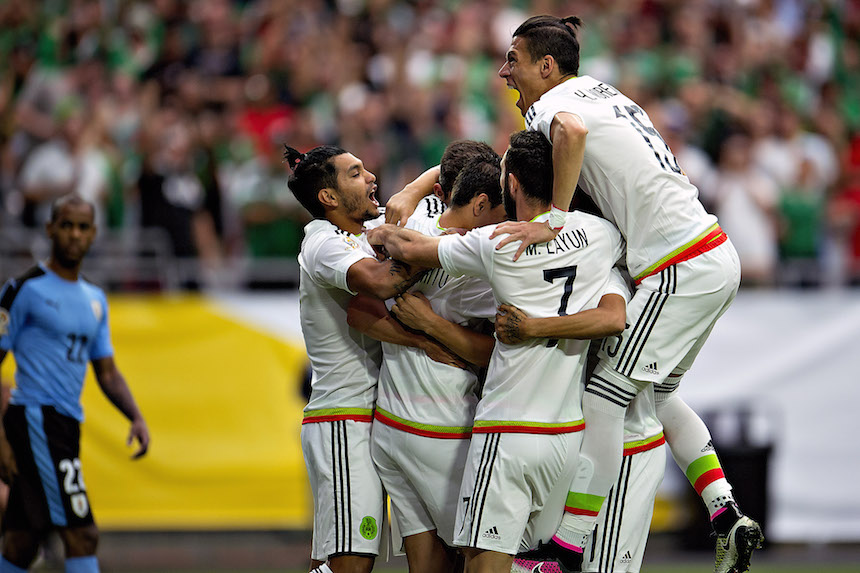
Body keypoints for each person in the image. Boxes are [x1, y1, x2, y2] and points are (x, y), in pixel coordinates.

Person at [488, 15, 760, 573]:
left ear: (546, 65)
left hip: (677, 265)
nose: (503, 71)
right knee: (654, 393)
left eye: (513, 59)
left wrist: (554, 219)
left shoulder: (552, 106)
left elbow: (573, 134)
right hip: (711, 252)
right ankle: (724, 510)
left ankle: (564, 548)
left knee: (606, 397)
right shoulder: (606, 92)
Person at [368, 130, 627, 573]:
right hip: (565, 435)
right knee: (530, 560)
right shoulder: (601, 235)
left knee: (482, 564)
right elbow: (613, 315)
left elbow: (410, 247)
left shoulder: (499, 243)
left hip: (508, 431)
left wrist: (385, 227)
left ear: (509, 185)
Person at [283, 144, 446, 573]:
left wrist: (411, 191)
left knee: (341, 559)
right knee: (352, 565)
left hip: (375, 418)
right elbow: (378, 283)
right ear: (329, 198)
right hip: (343, 417)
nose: (371, 176)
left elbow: (450, 168)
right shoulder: (322, 242)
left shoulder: (368, 228)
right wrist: (445, 249)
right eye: (355, 173)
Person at [348, 149, 505, 573]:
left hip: (390, 425)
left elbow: (359, 312)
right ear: (480, 203)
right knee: (485, 555)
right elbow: (496, 353)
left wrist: (419, 183)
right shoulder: (483, 261)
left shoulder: (409, 219)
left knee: (426, 565)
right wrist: (432, 329)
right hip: (440, 425)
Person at [0, 194, 150, 573]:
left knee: (21, 542)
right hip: (36, 418)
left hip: (65, 424)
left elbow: (107, 372)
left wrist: (135, 416)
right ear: (50, 229)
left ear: (94, 234)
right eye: (66, 225)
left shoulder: (95, 299)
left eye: (83, 227)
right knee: (83, 535)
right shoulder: (23, 290)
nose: (74, 234)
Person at [497, 310, 666, 573]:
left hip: (626, 450)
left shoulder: (628, 288)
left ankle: (570, 542)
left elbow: (612, 320)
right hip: (569, 443)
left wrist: (532, 327)